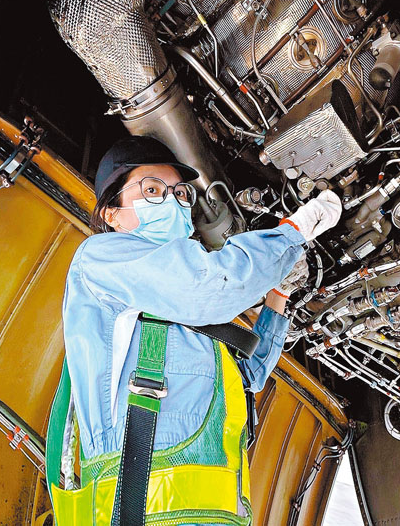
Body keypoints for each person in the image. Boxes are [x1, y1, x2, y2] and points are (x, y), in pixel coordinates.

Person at [45, 135, 342, 525]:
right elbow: (207, 286)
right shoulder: (101, 261)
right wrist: (290, 233)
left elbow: (245, 378)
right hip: (144, 514)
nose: (172, 201)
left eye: (181, 194)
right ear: (111, 215)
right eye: (152, 189)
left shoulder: (179, 311)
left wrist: (278, 297)